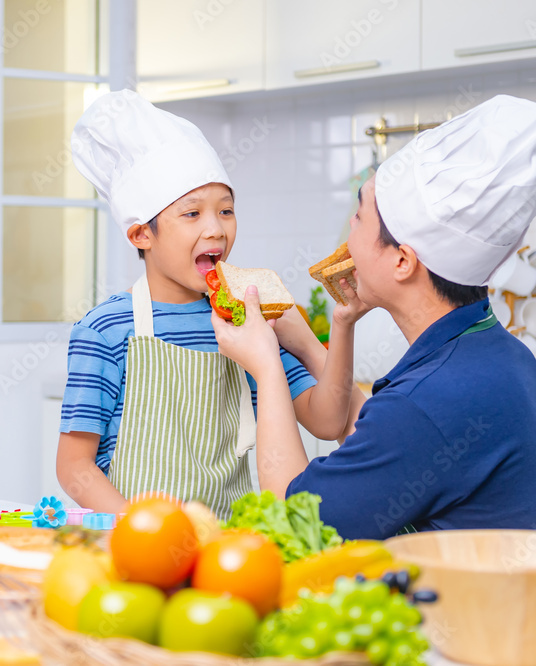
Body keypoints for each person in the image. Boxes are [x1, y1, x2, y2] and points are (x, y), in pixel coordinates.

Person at [213, 94, 536, 538]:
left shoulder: (426, 403)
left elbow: (297, 519)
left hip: (473, 608)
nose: (349, 226)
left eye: (360, 216)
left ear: (403, 261)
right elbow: (377, 442)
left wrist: (266, 366)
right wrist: (314, 341)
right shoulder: (499, 354)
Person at [57, 90, 363, 518]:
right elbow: (74, 467)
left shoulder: (243, 319)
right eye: (192, 214)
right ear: (141, 235)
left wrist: (341, 324)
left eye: (225, 211)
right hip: (137, 545)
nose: (216, 229)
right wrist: (144, 531)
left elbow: (328, 422)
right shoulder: (105, 329)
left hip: (228, 547)